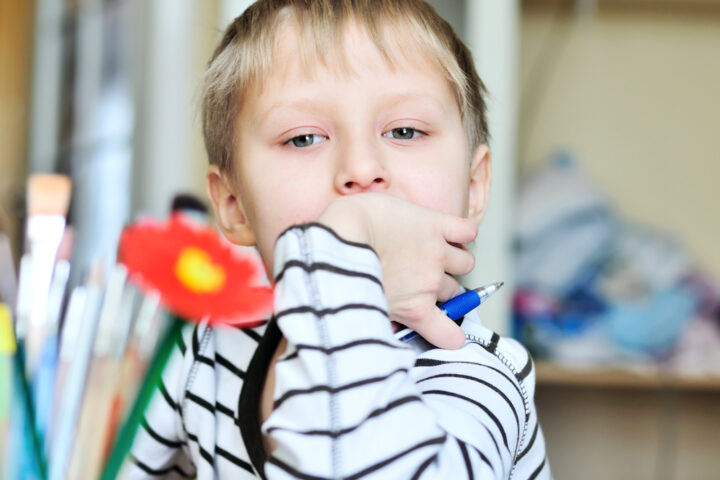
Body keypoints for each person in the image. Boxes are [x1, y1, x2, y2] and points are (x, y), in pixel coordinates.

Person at [124, 1, 550, 478]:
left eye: (405, 131)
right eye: (304, 138)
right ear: (234, 205)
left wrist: (341, 241)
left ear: (473, 188)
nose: (362, 171)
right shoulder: (207, 348)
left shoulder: (482, 378)